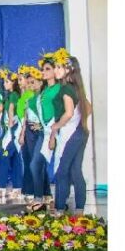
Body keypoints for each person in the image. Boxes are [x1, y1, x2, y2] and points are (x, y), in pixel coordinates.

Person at [50, 49, 91, 215]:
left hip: (71, 134)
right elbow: (88, 108)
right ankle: (79, 210)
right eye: (56, 67)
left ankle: (59, 209)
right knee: (75, 171)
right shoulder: (76, 87)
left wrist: (56, 126)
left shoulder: (66, 89)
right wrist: (80, 122)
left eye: (60, 67)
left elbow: (68, 113)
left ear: (68, 70)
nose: (56, 70)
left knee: (62, 171)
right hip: (80, 132)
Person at [27, 53, 61, 212]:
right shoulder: (45, 91)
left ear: (55, 71)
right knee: (35, 164)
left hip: (56, 131)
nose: (44, 71)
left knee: (62, 167)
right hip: (44, 132)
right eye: (43, 69)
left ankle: (55, 201)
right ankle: (39, 198)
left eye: (47, 69)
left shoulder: (59, 88)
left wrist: (55, 128)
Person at [0, 69, 23, 199]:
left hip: (14, 130)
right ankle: (17, 188)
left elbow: (11, 109)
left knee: (3, 156)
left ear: (13, 83)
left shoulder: (13, 95)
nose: (4, 84)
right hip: (11, 129)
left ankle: (0, 186)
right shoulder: (10, 95)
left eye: (6, 81)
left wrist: (10, 122)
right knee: (16, 158)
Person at [16, 65, 39, 201]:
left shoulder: (30, 95)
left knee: (31, 160)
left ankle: (32, 189)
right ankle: (27, 188)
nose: (19, 83)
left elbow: (27, 115)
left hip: (28, 128)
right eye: (18, 80)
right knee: (26, 159)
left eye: (21, 79)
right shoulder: (23, 95)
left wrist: (23, 132)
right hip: (22, 127)